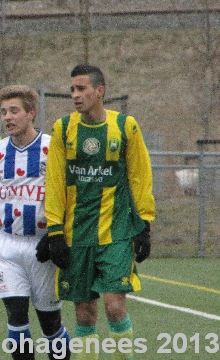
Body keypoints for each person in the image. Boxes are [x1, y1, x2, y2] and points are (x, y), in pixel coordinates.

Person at [43, 64, 155, 360]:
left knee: (114, 306)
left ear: (100, 91)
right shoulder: (63, 129)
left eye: (81, 89)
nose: (75, 95)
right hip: (76, 233)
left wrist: (144, 223)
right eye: (72, 90)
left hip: (116, 231)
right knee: (84, 314)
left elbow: (140, 175)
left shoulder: (125, 126)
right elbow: (54, 181)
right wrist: (54, 230)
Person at [0, 85, 70, 360]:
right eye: (3, 112)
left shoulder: (51, 148)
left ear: (31, 113)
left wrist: (58, 235)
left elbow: (66, 195)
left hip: (42, 246)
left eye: (14, 111)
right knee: (16, 315)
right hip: (7, 246)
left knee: (50, 323)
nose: (8, 117)